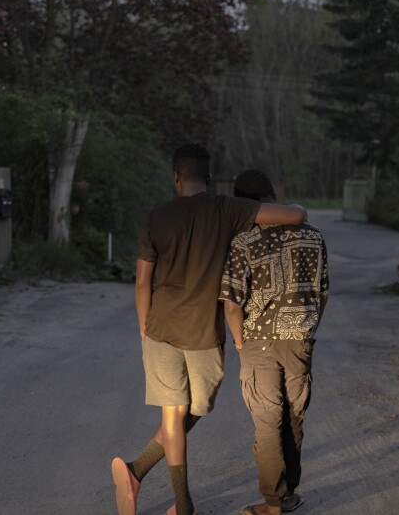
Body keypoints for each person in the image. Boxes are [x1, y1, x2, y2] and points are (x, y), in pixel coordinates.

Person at [111, 145, 308, 515]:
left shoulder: (156, 217)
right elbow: (296, 216)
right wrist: (293, 210)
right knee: (187, 411)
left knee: (185, 412)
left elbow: (142, 284)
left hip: (160, 330)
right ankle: (182, 506)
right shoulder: (226, 209)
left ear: (175, 178)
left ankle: (137, 471)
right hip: (204, 334)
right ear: (209, 177)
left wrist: (143, 331)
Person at [219, 169, 328, 515]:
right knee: (294, 416)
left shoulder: (242, 240)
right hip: (300, 340)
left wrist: (238, 342)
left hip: (258, 340)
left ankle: (273, 503)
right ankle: (288, 494)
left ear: (243, 203)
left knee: (268, 421)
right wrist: (307, 331)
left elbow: (232, 304)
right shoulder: (312, 235)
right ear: (271, 196)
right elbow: (322, 294)